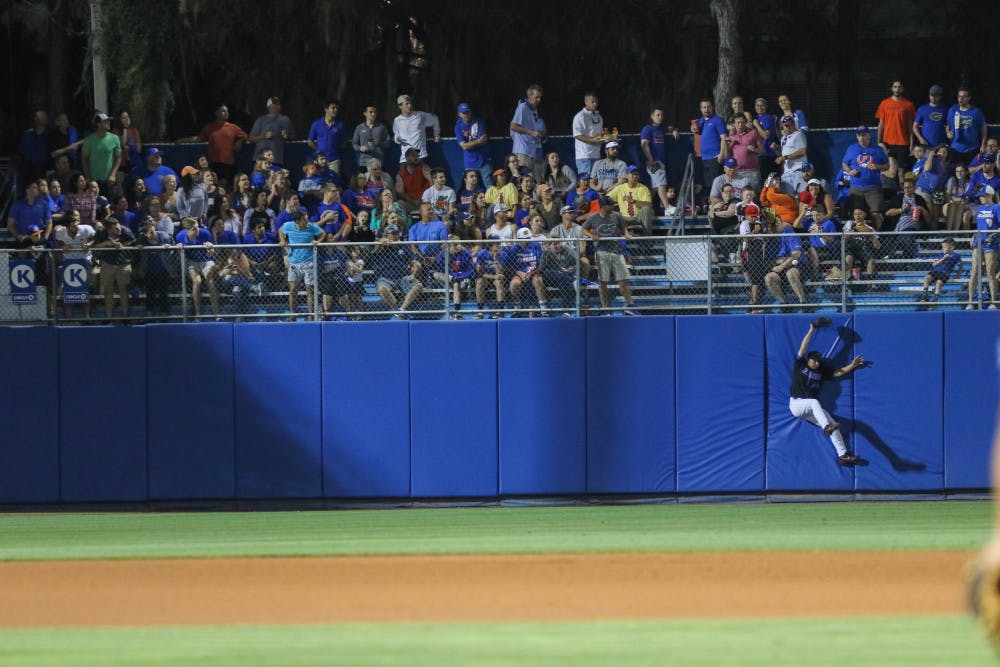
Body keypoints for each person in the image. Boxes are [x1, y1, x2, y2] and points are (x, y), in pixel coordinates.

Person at [789, 321, 864, 466]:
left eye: (818, 361)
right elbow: (803, 347)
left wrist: (852, 365)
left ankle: (843, 455)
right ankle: (826, 428)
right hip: (797, 404)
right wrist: (811, 331)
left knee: (833, 424)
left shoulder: (821, 371)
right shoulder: (800, 365)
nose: (816, 363)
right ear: (808, 360)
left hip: (810, 410)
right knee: (815, 403)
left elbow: (837, 373)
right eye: (814, 360)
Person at [583, 196, 638, 315]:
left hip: (616, 251)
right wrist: (592, 236)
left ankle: (630, 305)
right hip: (601, 252)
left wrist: (626, 234)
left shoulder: (616, 215)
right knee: (603, 282)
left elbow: (623, 226)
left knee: (623, 281)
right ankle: (605, 308)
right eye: (610, 205)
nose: (612, 206)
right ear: (603, 206)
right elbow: (584, 229)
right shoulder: (593, 218)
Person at [179, 104, 247, 187]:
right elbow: (199, 139)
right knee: (214, 186)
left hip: (229, 164)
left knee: (229, 187)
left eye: (227, 111)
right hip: (214, 163)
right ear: (216, 113)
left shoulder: (233, 127)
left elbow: (245, 136)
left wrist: (240, 141)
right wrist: (183, 140)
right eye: (223, 111)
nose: (226, 113)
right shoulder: (209, 127)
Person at [278, 209, 324, 320]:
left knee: (310, 290)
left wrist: (318, 241)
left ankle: (311, 314)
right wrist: (282, 240)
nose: (307, 220)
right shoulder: (288, 226)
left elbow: (322, 233)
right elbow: (280, 231)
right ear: (298, 221)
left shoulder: (312, 227)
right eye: (304, 218)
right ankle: (293, 313)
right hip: (294, 263)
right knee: (293, 290)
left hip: (309, 262)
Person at [842, 126, 889, 230]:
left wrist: (878, 166)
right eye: (859, 135)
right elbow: (844, 164)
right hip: (856, 187)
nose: (861, 137)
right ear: (856, 136)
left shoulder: (878, 149)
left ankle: (877, 238)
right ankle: (857, 238)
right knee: (856, 214)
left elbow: (887, 166)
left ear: (869, 135)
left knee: (875, 214)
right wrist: (849, 171)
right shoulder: (851, 148)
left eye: (863, 135)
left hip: (874, 188)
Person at [372, 223, 423, 318]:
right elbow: (375, 251)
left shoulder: (403, 246)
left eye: (397, 233)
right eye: (394, 233)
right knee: (382, 289)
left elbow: (414, 262)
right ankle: (396, 309)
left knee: (418, 285)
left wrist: (413, 274)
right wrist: (380, 241)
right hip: (386, 277)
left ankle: (402, 309)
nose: (397, 235)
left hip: (402, 277)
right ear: (387, 235)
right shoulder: (381, 245)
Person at [90, 217, 136, 320]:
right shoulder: (101, 233)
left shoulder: (126, 231)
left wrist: (122, 245)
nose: (119, 230)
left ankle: (125, 317)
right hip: (107, 263)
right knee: (108, 291)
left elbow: (134, 241)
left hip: (123, 263)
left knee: (123, 290)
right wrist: (106, 244)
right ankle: (108, 317)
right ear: (108, 230)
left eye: (119, 227)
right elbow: (95, 246)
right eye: (115, 229)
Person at [176, 217, 219, 318]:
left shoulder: (205, 233)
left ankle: (216, 313)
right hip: (191, 261)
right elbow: (179, 257)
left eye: (197, 227)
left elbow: (212, 254)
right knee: (197, 281)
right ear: (187, 230)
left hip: (205, 260)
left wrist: (210, 248)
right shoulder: (180, 236)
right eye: (194, 229)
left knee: (210, 280)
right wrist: (179, 250)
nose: (197, 230)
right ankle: (198, 313)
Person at [875, 80, 916, 183]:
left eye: (899, 87)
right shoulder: (884, 103)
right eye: (895, 87)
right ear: (892, 88)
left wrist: (911, 144)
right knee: (892, 172)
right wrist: (879, 141)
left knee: (901, 174)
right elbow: (881, 124)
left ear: (902, 89)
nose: (897, 89)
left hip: (903, 143)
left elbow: (910, 127)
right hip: (888, 143)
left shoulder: (908, 105)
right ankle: (874, 176)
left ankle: (904, 196)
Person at [640, 105, 678, 212]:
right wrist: (650, 160)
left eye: (661, 115)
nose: (660, 117)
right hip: (654, 162)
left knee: (655, 188)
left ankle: (645, 208)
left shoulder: (661, 128)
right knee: (662, 184)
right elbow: (644, 144)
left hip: (661, 162)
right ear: (652, 116)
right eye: (657, 115)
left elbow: (671, 128)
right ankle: (667, 207)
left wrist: (675, 130)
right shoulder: (647, 129)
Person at [968, 186, 1000, 310]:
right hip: (979, 242)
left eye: (983, 195)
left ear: (989, 195)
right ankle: (970, 301)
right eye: (980, 196)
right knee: (974, 271)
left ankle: (993, 301)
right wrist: (974, 235)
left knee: (990, 272)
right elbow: (979, 226)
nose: (981, 198)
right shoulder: (980, 208)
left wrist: (993, 235)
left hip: (991, 244)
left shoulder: (996, 207)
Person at [764, 221, 808, 309]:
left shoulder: (789, 233)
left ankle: (803, 302)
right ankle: (784, 303)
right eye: (768, 226)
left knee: (790, 273)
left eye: (773, 225)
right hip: (780, 267)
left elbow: (796, 254)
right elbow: (770, 261)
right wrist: (778, 264)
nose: (770, 229)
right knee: (769, 278)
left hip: (797, 265)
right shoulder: (768, 240)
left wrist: (782, 265)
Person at [135, 222, 174, 319]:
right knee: (150, 292)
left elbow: (173, 247)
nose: (153, 234)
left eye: (153, 231)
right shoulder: (142, 239)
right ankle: (149, 311)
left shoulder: (164, 236)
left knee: (163, 293)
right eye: (150, 233)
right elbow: (137, 244)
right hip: (149, 270)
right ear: (145, 234)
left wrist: (169, 247)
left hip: (163, 269)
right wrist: (139, 246)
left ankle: (164, 313)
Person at [431, 235, 475, 319]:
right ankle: (454, 279)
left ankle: (456, 311)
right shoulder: (444, 254)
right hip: (449, 277)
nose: (458, 246)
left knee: (456, 284)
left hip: (462, 278)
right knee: (435, 274)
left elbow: (471, 270)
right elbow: (438, 268)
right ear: (449, 246)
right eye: (455, 245)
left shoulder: (465, 253)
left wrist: (460, 276)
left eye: (459, 244)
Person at [509, 84, 546, 181]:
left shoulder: (534, 110)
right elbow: (513, 126)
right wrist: (531, 132)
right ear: (529, 97)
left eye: (540, 97)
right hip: (522, 152)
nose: (539, 100)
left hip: (531, 152)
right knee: (524, 180)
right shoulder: (523, 107)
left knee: (531, 181)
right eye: (536, 97)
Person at [392, 94, 440, 163]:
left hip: (419, 157)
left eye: (410, 103)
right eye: (407, 104)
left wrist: (436, 134)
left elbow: (435, 119)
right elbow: (396, 135)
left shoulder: (420, 116)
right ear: (400, 106)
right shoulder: (397, 120)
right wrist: (398, 139)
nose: (410, 105)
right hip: (405, 158)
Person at [946, 86, 987, 166]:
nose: (961, 99)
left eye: (964, 97)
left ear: (969, 98)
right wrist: (948, 132)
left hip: (972, 148)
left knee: (970, 173)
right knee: (956, 173)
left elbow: (983, 128)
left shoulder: (977, 112)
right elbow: (948, 125)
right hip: (956, 148)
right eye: (959, 96)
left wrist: (983, 143)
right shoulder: (952, 110)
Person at [82, 112, 122, 194]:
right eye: (105, 121)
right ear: (98, 124)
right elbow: (84, 159)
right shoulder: (89, 140)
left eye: (108, 121)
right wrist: (88, 177)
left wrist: (113, 175)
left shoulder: (115, 138)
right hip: (94, 181)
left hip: (109, 180)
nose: (108, 123)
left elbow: (118, 158)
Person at [608, 165, 654, 235]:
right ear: (626, 175)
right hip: (624, 218)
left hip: (639, 217)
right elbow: (607, 198)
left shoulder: (643, 188)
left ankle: (647, 238)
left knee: (646, 209)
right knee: (613, 215)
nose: (635, 176)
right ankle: (615, 241)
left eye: (637, 174)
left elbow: (648, 204)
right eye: (633, 174)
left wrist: (634, 201)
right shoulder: (620, 188)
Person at [455, 102, 492, 187]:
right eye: (464, 113)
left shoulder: (479, 121)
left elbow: (483, 140)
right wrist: (477, 142)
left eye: (468, 112)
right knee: (471, 188)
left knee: (489, 187)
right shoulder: (458, 126)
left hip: (484, 159)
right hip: (470, 162)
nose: (467, 114)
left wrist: (471, 144)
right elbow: (464, 146)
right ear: (459, 114)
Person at [7, 180, 53, 247]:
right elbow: (10, 225)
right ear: (27, 190)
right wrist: (19, 237)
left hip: (40, 240)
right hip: (23, 241)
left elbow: (49, 223)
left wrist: (45, 237)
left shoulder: (44, 204)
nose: (38, 189)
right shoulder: (17, 205)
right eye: (34, 187)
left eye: (37, 187)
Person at [249, 96, 294, 164]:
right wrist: (264, 136)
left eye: (278, 105)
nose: (276, 107)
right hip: (260, 159)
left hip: (276, 158)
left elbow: (292, 136)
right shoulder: (260, 120)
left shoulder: (285, 119)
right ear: (268, 107)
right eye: (274, 105)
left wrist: (286, 136)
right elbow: (251, 138)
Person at [694, 98, 728, 186]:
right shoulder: (701, 120)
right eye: (704, 107)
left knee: (717, 185)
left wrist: (721, 154)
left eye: (708, 107)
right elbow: (695, 129)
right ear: (701, 109)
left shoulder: (718, 120)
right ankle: (710, 200)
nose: (706, 109)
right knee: (708, 185)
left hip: (715, 158)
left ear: (712, 107)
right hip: (704, 158)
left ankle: (718, 200)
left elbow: (724, 138)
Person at [306, 100, 347, 174]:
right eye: (333, 108)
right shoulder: (316, 124)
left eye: (337, 108)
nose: (336, 110)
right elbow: (310, 142)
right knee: (320, 182)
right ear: (326, 109)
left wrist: (334, 148)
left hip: (334, 160)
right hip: (320, 161)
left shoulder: (340, 125)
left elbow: (343, 143)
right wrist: (319, 150)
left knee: (333, 183)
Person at [919, 237, 962, 306]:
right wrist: (943, 259)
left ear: (951, 248)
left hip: (945, 273)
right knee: (927, 278)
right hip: (935, 271)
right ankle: (924, 296)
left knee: (939, 283)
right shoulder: (941, 255)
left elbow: (960, 265)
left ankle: (935, 301)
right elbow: (934, 264)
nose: (943, 248)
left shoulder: (955, 255)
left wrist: (958, 274)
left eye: (945, 247)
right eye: (942, 247)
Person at [572, 92, 604, 178]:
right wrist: (592, 140)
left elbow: (599, 134)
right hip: (584, 156)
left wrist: (605, 137)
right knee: (585, 181)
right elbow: (577, 135)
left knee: (595, 180)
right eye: (592, 102)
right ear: (586, 102)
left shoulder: (599, 117)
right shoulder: (580, 116)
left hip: (596, 155)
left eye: (596, 102)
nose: (595, 104)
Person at [727, 114, 763, 191]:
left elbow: (762, 149)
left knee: (754, 196)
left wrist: (754, 149)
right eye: (738, 122)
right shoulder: (731, 137)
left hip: (752, 171)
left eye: (742, 122)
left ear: (746, 123)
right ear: (734, 124)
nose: (740, 125)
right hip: (737, 172)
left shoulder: (753, 133)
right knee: (739, 197)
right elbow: (728, 155)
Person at [843, 206, 880, 279]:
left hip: (864, 249)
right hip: (851, 248)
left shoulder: (870, 228)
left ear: (864, 215)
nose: (857, 216)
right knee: (848, 259)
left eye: (860, 214)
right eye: (855, 214)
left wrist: (871, 236)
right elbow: (844, 237)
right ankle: (846, 282)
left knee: (871, 261)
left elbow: (878, 246)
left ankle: (871, 283)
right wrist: (854, 230)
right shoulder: (849, 224)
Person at [352, 104, 391, 170]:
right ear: (365, 113)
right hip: (364, 162)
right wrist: (360, 148)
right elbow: (354, 144)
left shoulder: (382, 127)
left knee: (378, 181)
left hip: (378, 162)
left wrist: (378, 143)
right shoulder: (359, 127)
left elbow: (388, 144)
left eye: (375, 112)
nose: (373, 114)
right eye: (370, 112)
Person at [394, 147, 432, 215]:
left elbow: (433, 184)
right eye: (413, 156)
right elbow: (400, 193)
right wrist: (413, 201)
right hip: (411, 202)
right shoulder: (401, 174)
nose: (416, 157)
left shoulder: (424, 167)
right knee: (398, 204)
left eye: (417, 155)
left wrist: (426, 199)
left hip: (425, 201)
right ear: (406, 158)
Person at [474, 240, 506, 318]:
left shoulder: (502, 254)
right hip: (486, 277)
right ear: (490, 246)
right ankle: (480, 310)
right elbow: (480, 273)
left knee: (499, 282)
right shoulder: (482, 253)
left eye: (499, 245)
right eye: (496, 245)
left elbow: (500, 273)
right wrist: (494, 276)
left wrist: (496, 260)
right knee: (479, 282)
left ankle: (500, 311)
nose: (499, 247)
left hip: (497, 278)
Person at [776, 115, 808, 193]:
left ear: (794, 125)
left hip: (798, 171)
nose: (789, 127)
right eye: (786, 125)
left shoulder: (799, 134)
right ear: (782, 126)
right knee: (789, 199)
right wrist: (776, 149)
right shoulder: (783, 138)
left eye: (791, 124)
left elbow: (802, 151)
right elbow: (783, 154)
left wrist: (785, 157)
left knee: (802, 197)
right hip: (787, 172)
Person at [19, 109, 50, 183]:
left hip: (45, 168)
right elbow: (22, 151)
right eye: (38, 117)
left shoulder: (50, 135)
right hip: (29, 169)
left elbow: (51, 153)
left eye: (43, 116)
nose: (40, 118)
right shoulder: (27, 134)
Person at [913, 85, 948, 151]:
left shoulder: (945, 109)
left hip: (941, 145)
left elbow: (948, 125)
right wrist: (920, 138)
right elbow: (915, 126)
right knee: (926, 161)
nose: (933, 97)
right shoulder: (922, 109)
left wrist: (948, 133)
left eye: (936, 95)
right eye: (931, 95)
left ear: (940, 96)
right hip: (926, 145)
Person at [753, 98, 779, 185]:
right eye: (757, 106)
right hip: (758, 155)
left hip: (768, 154)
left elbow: (765, 135)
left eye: (762, 105)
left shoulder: (768, 118)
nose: (759, 108)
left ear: (766, 107)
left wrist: (756, 125)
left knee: (768, 182)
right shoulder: (756, 118)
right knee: (761, 182)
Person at [116, 111, 142, 175]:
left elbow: (139, 149)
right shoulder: (116, 131)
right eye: (124, 118)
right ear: (120, 120)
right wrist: (125, 128)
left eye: (128, 117)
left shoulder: (134, 130)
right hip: (122, 162)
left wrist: (131, 148)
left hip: (133, 161)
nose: (127, 119)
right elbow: (122, 144)